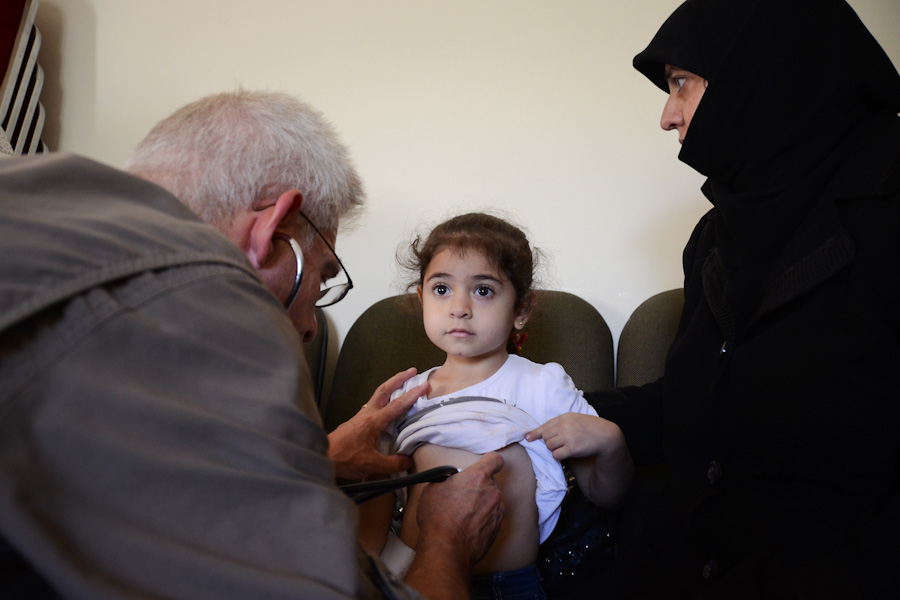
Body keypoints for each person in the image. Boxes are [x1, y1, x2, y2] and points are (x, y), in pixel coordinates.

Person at [0, 92, 505, 599]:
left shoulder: (33, 191)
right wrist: (448, 541)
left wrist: (319, 459)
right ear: (274, 228)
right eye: (324, 276)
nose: (309, 327)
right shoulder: (216, 310)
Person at [582, 0, 900, 598]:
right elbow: (696, 403)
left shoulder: (887, 210)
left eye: (680, 83)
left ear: (762, 74)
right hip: (680, 560)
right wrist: (526, 407)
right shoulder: (716, 234)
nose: (666, 115)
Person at [360, 213, 633, 599]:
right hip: (414, 577)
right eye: (441, 289)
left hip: (511, 586)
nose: (459, 307)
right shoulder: (406, 395)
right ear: (421, 298)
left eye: (483, 291)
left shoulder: (543, 385)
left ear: (521, 309)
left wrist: (611, 443)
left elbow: (606, 495)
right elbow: (377, 499)